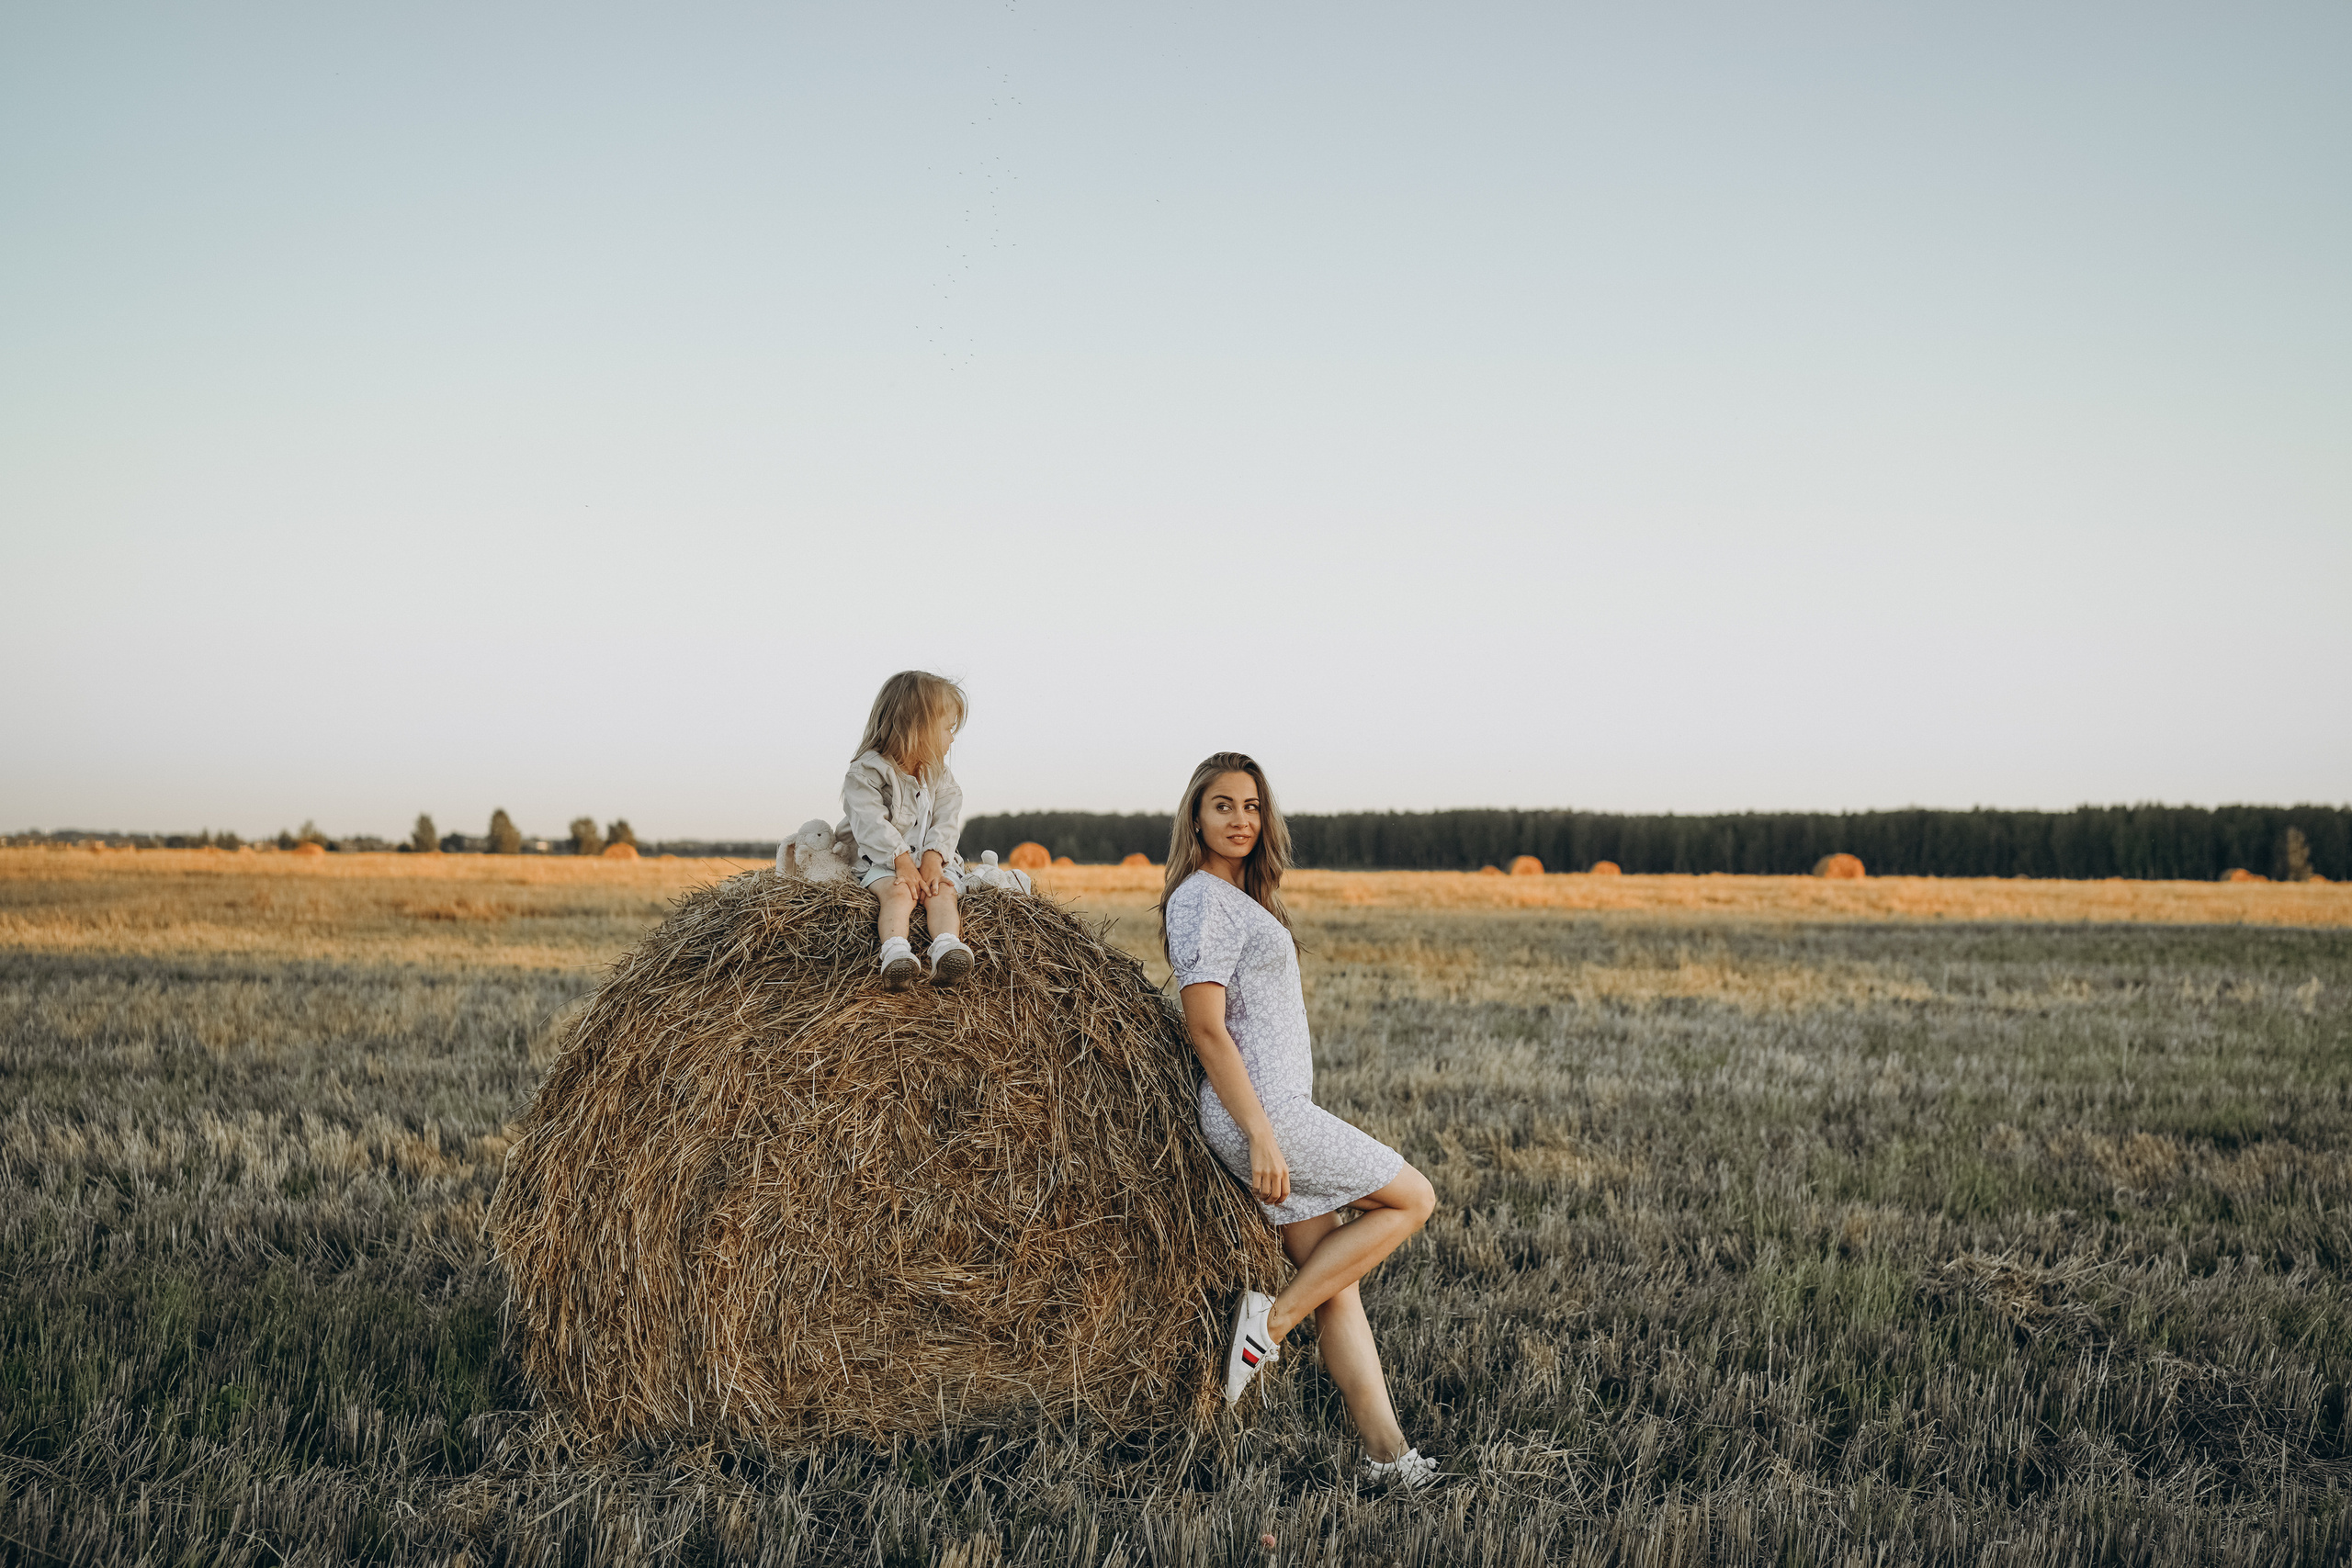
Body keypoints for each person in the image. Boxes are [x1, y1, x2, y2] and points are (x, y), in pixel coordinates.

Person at [1160, 751, 1442, 1488]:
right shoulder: (1201, 899)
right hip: (1267, 1115)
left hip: (1279, 1113)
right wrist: (1259, 1132)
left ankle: (1390, 1458)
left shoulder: (1237, 898)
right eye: (1223, 805)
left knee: (1336, 1286)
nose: (1241, 819)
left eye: (1252, 806)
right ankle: (1271, 1325)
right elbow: (1206, 1027)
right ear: (1196, 815)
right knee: (1414, 1198)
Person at [841, 671, 975, 988]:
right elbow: (870, 824)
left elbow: (947, 817)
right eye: (948, 728)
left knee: (942, 891)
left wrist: (933, 858)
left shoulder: (939, 776)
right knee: (898, 893)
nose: (952, 738)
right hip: (883, 862)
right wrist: (901, 860)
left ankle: (946, 948)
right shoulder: (866, 772)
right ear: (919, 728)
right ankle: (896, 953)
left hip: (929, 861)